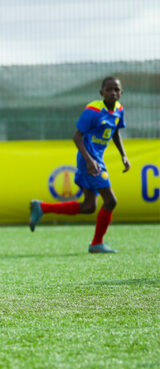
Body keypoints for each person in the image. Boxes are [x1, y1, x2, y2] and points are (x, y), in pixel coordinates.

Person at [29, 77, 130, 254]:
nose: (113, 93)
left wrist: (123, 155)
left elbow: (115, 133)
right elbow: (77, 137)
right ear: (102, 93)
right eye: (109, 89)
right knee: (111, 200)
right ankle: (97, 243)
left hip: (96, 159)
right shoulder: (92, 110)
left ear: (121, 93)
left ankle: (42, 207)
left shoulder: (119, 110)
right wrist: (90, 161)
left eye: (117, 90)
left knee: (89, 207)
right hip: (88, 160)